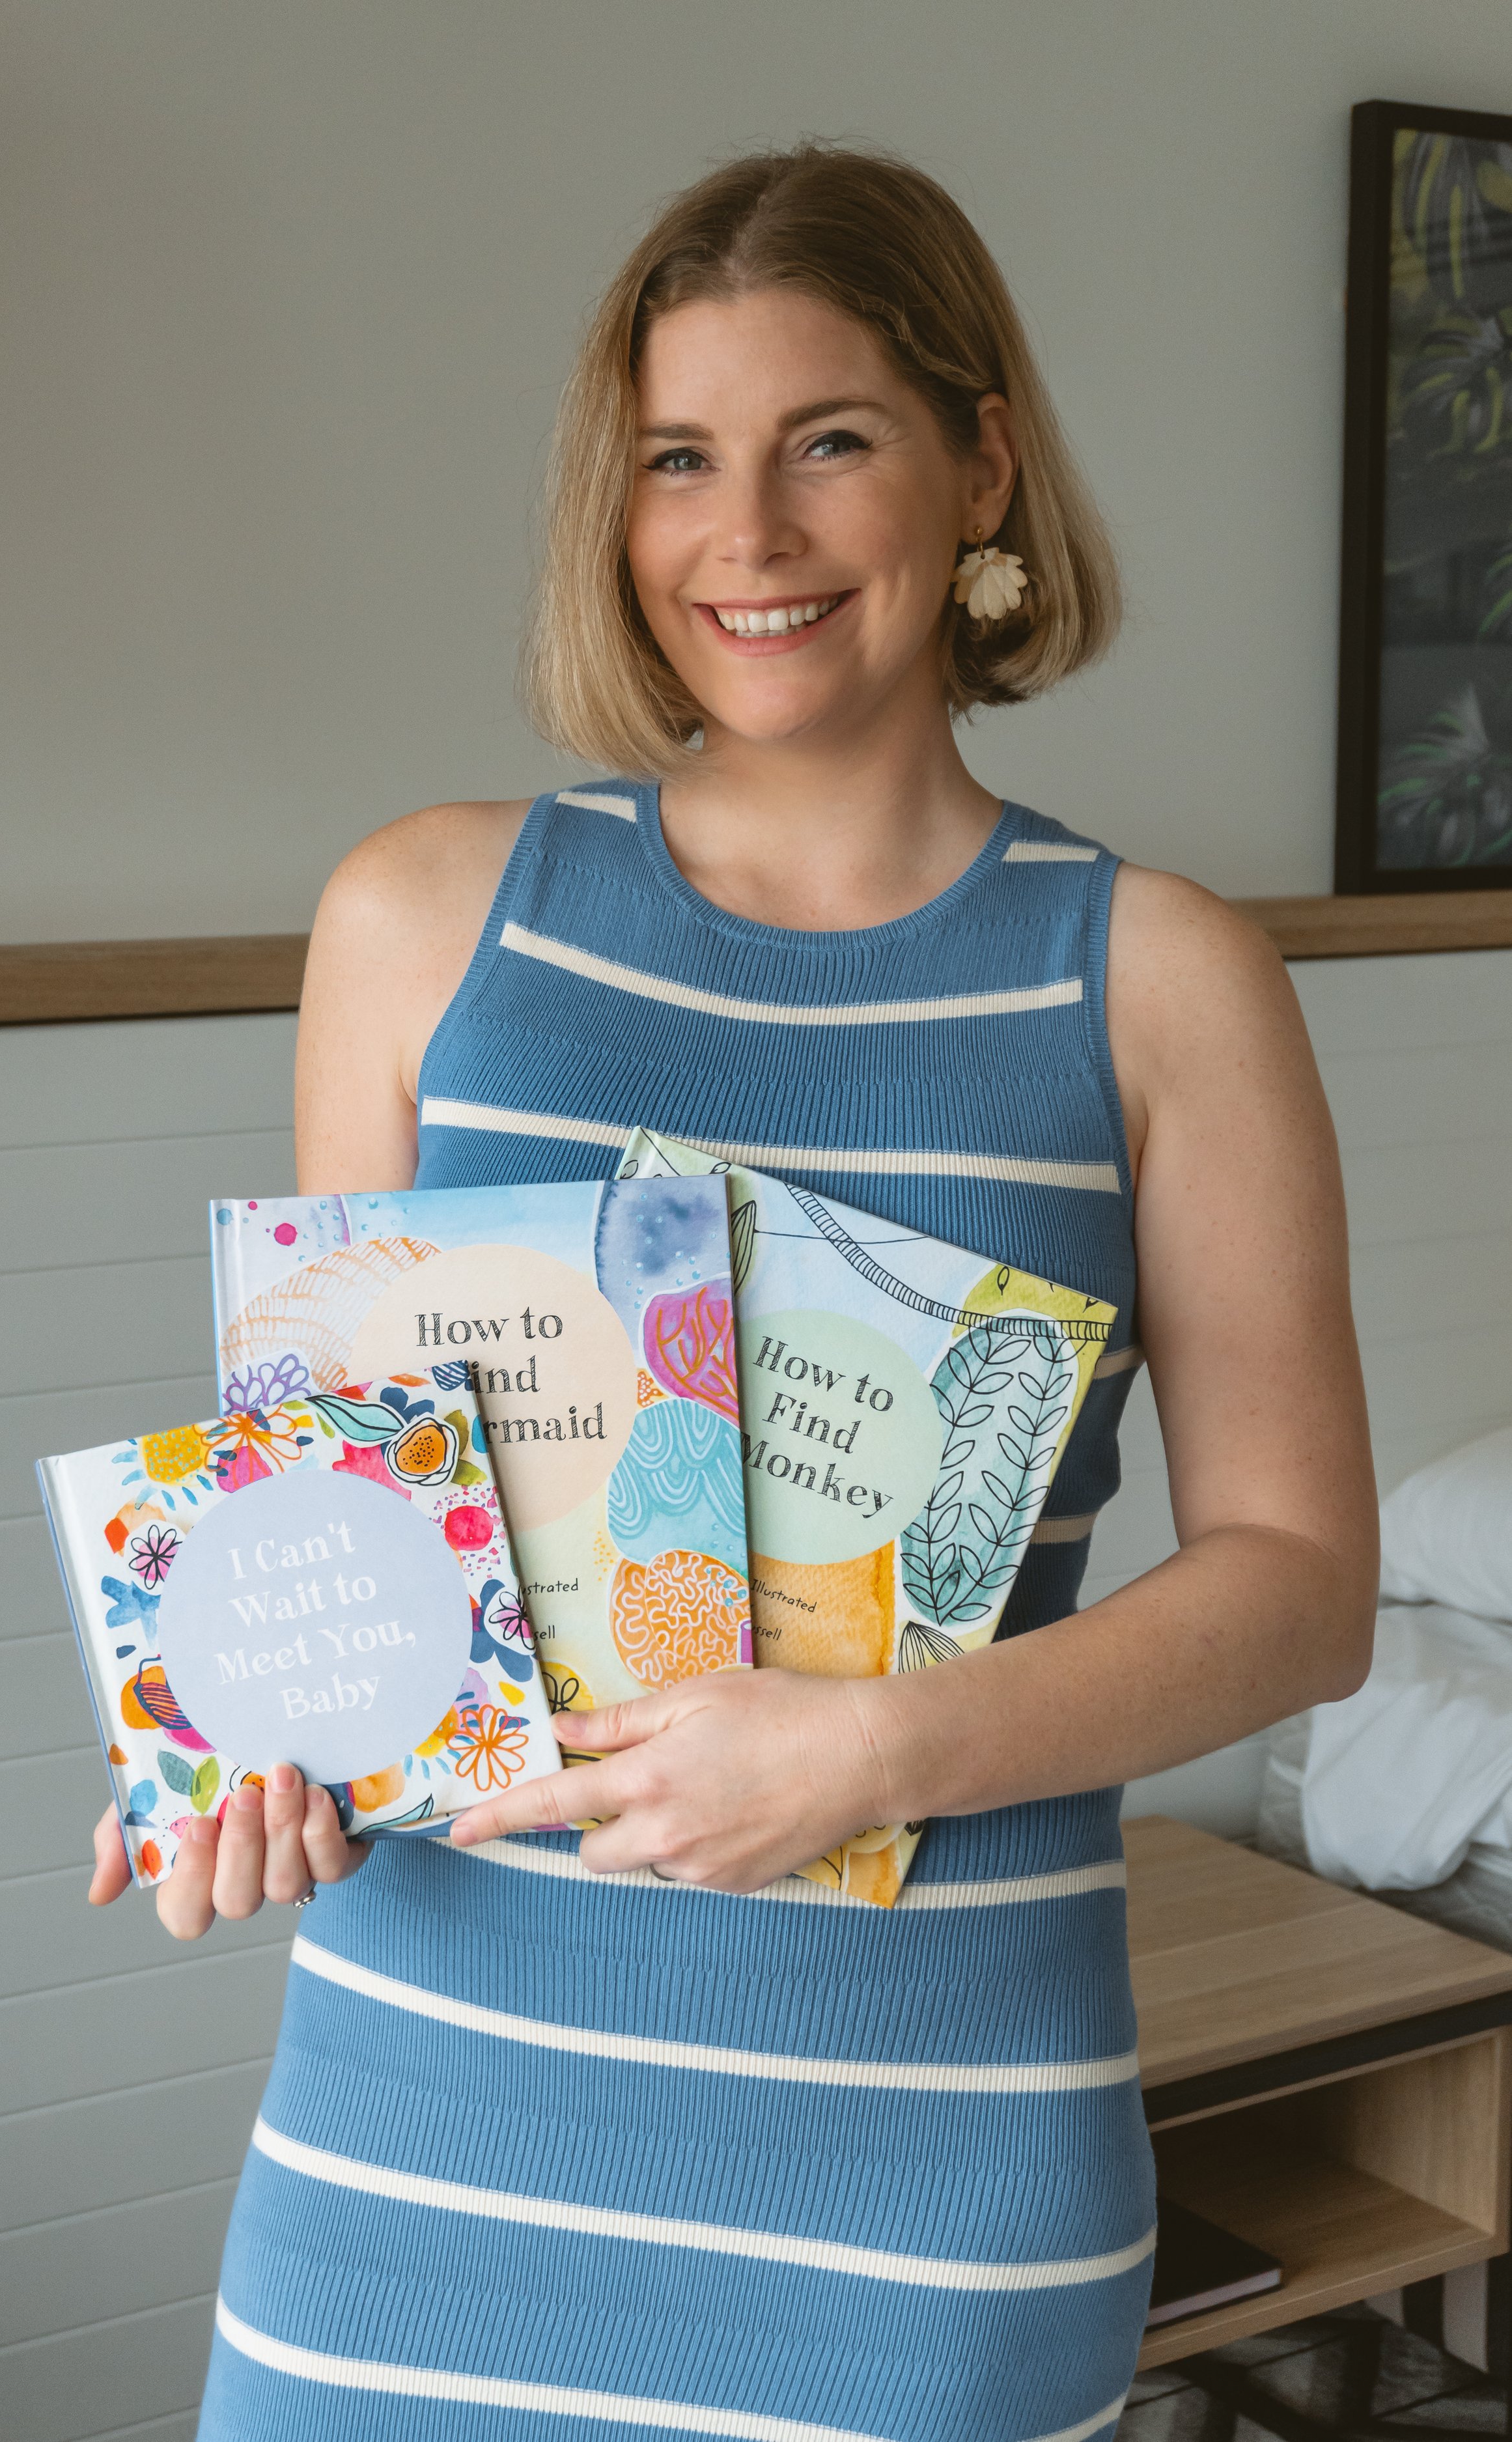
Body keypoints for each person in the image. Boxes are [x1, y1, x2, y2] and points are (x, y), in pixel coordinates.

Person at [90, 143, 1377, 2442]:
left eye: (831, 442)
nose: (745, 536)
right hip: (419, 2170)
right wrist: (235, 1750)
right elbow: (333, 1537)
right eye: (679, 459)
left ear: (981, 463)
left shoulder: (1164, 980)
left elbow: (1298, 1593)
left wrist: (890, 1746)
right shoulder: (418, 917)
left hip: (916, 2216)